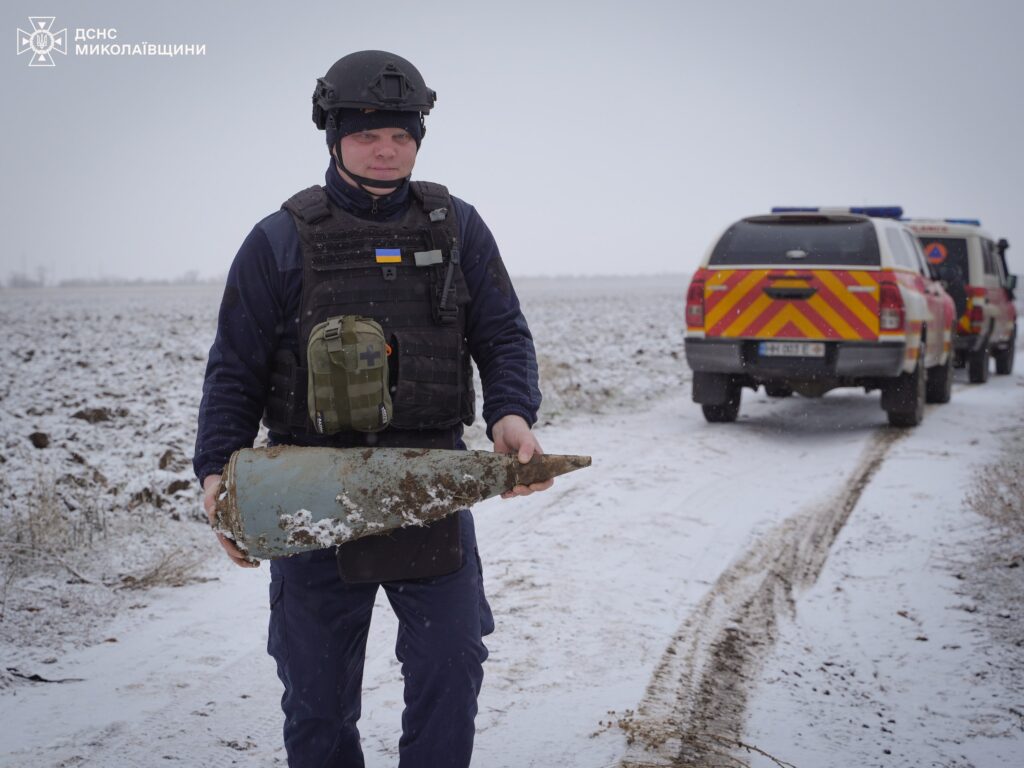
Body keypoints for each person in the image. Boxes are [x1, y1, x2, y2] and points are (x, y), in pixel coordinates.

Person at [193, 50, 551, 768]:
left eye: (402, 135)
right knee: (318, 693)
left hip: (429, 482)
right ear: (333, 137)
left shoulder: (458, 227)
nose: (387, 150)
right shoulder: (280, 239)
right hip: (309, 487)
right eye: (367, 135)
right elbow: (235, 367)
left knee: (451, 665)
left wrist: (510, 413)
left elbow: (502, 334)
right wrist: (215, 474)